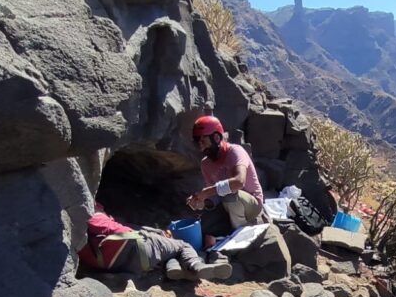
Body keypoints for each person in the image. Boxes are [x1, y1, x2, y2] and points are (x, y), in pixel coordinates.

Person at [78, 206, 231, 281]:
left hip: (121, 266)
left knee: (169, 252)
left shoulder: (76, 237)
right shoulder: (93, 214)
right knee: (182, 245)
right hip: (137, 250)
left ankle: (174, 269)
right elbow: (129, 232)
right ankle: (197, 265)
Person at [186, 115, 265, 242]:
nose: (201, 147)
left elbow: (239, 182)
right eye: (197, 143)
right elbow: (215, 197)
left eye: (203, 141)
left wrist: (208, 192)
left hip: (252, 204)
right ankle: (228, 233)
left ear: (216, 137)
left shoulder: (235, 152)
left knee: (229, 193)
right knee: (204, 225)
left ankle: (241, 235)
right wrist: (202, 202)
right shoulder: (205, 164)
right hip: (228, 205)